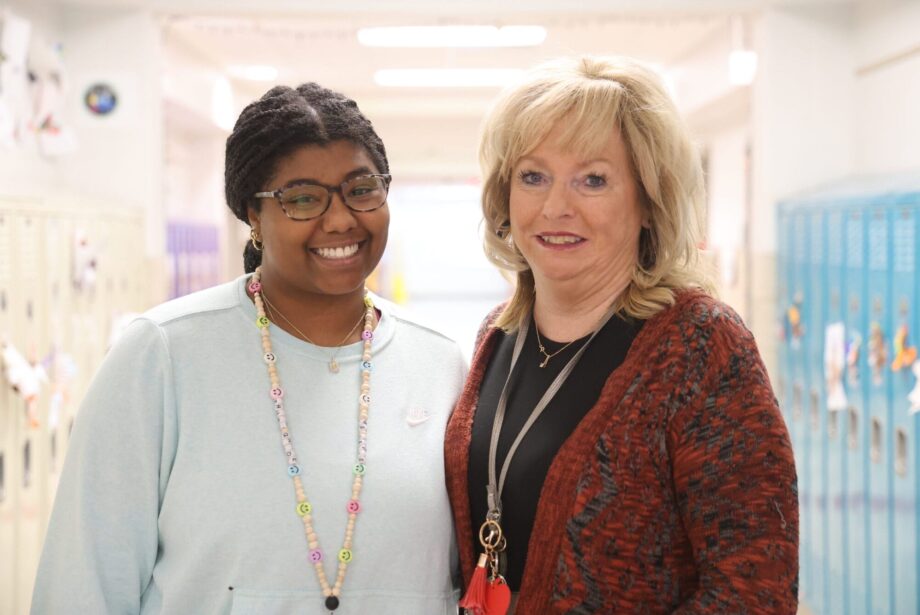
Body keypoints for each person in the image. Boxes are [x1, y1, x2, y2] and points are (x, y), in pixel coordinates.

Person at [32, 83, 466, 614]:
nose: (340, 219)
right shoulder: (163, 355)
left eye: (362, 189)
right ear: (252, 215)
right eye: (303, 198)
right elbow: (85, 581)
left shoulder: (441, 364)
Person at [445, 56, 798, 614]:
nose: (557, 207)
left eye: (594, 180)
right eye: (533, 176)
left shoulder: (702, 347)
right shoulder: (499, 334)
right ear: (504, 198)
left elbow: (754, 588)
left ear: (648, 204)